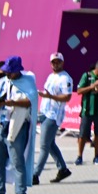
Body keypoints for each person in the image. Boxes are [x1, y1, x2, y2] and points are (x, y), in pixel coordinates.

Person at [0, 55, 37, 194]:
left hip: (17, 125)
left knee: (17, 161)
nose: (8, 74)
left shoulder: (27, 82)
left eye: (10, 72)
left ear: (17, 71)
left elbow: (30, 101)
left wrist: (12, 102)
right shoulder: (2, 82)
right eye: (6, 71)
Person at [35, 53, 74, 185]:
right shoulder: (51, 76)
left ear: (62, 63)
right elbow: (48, 93)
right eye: (53, 62)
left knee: (44, 146)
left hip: (54, 115)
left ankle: (35, 174)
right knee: (50, 144)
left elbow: (67, 97)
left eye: (58, 62)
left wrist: (51, 97)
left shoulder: (65, 78)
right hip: (45, 112)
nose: (55, 64)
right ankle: (62, 169)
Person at [76, 59, 98, 165]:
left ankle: (96, 156)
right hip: (87, 111)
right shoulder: (87, 76)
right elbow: (79, 91)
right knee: (82, 135)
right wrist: (91, 86)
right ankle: (79, 156)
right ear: (97, 68)